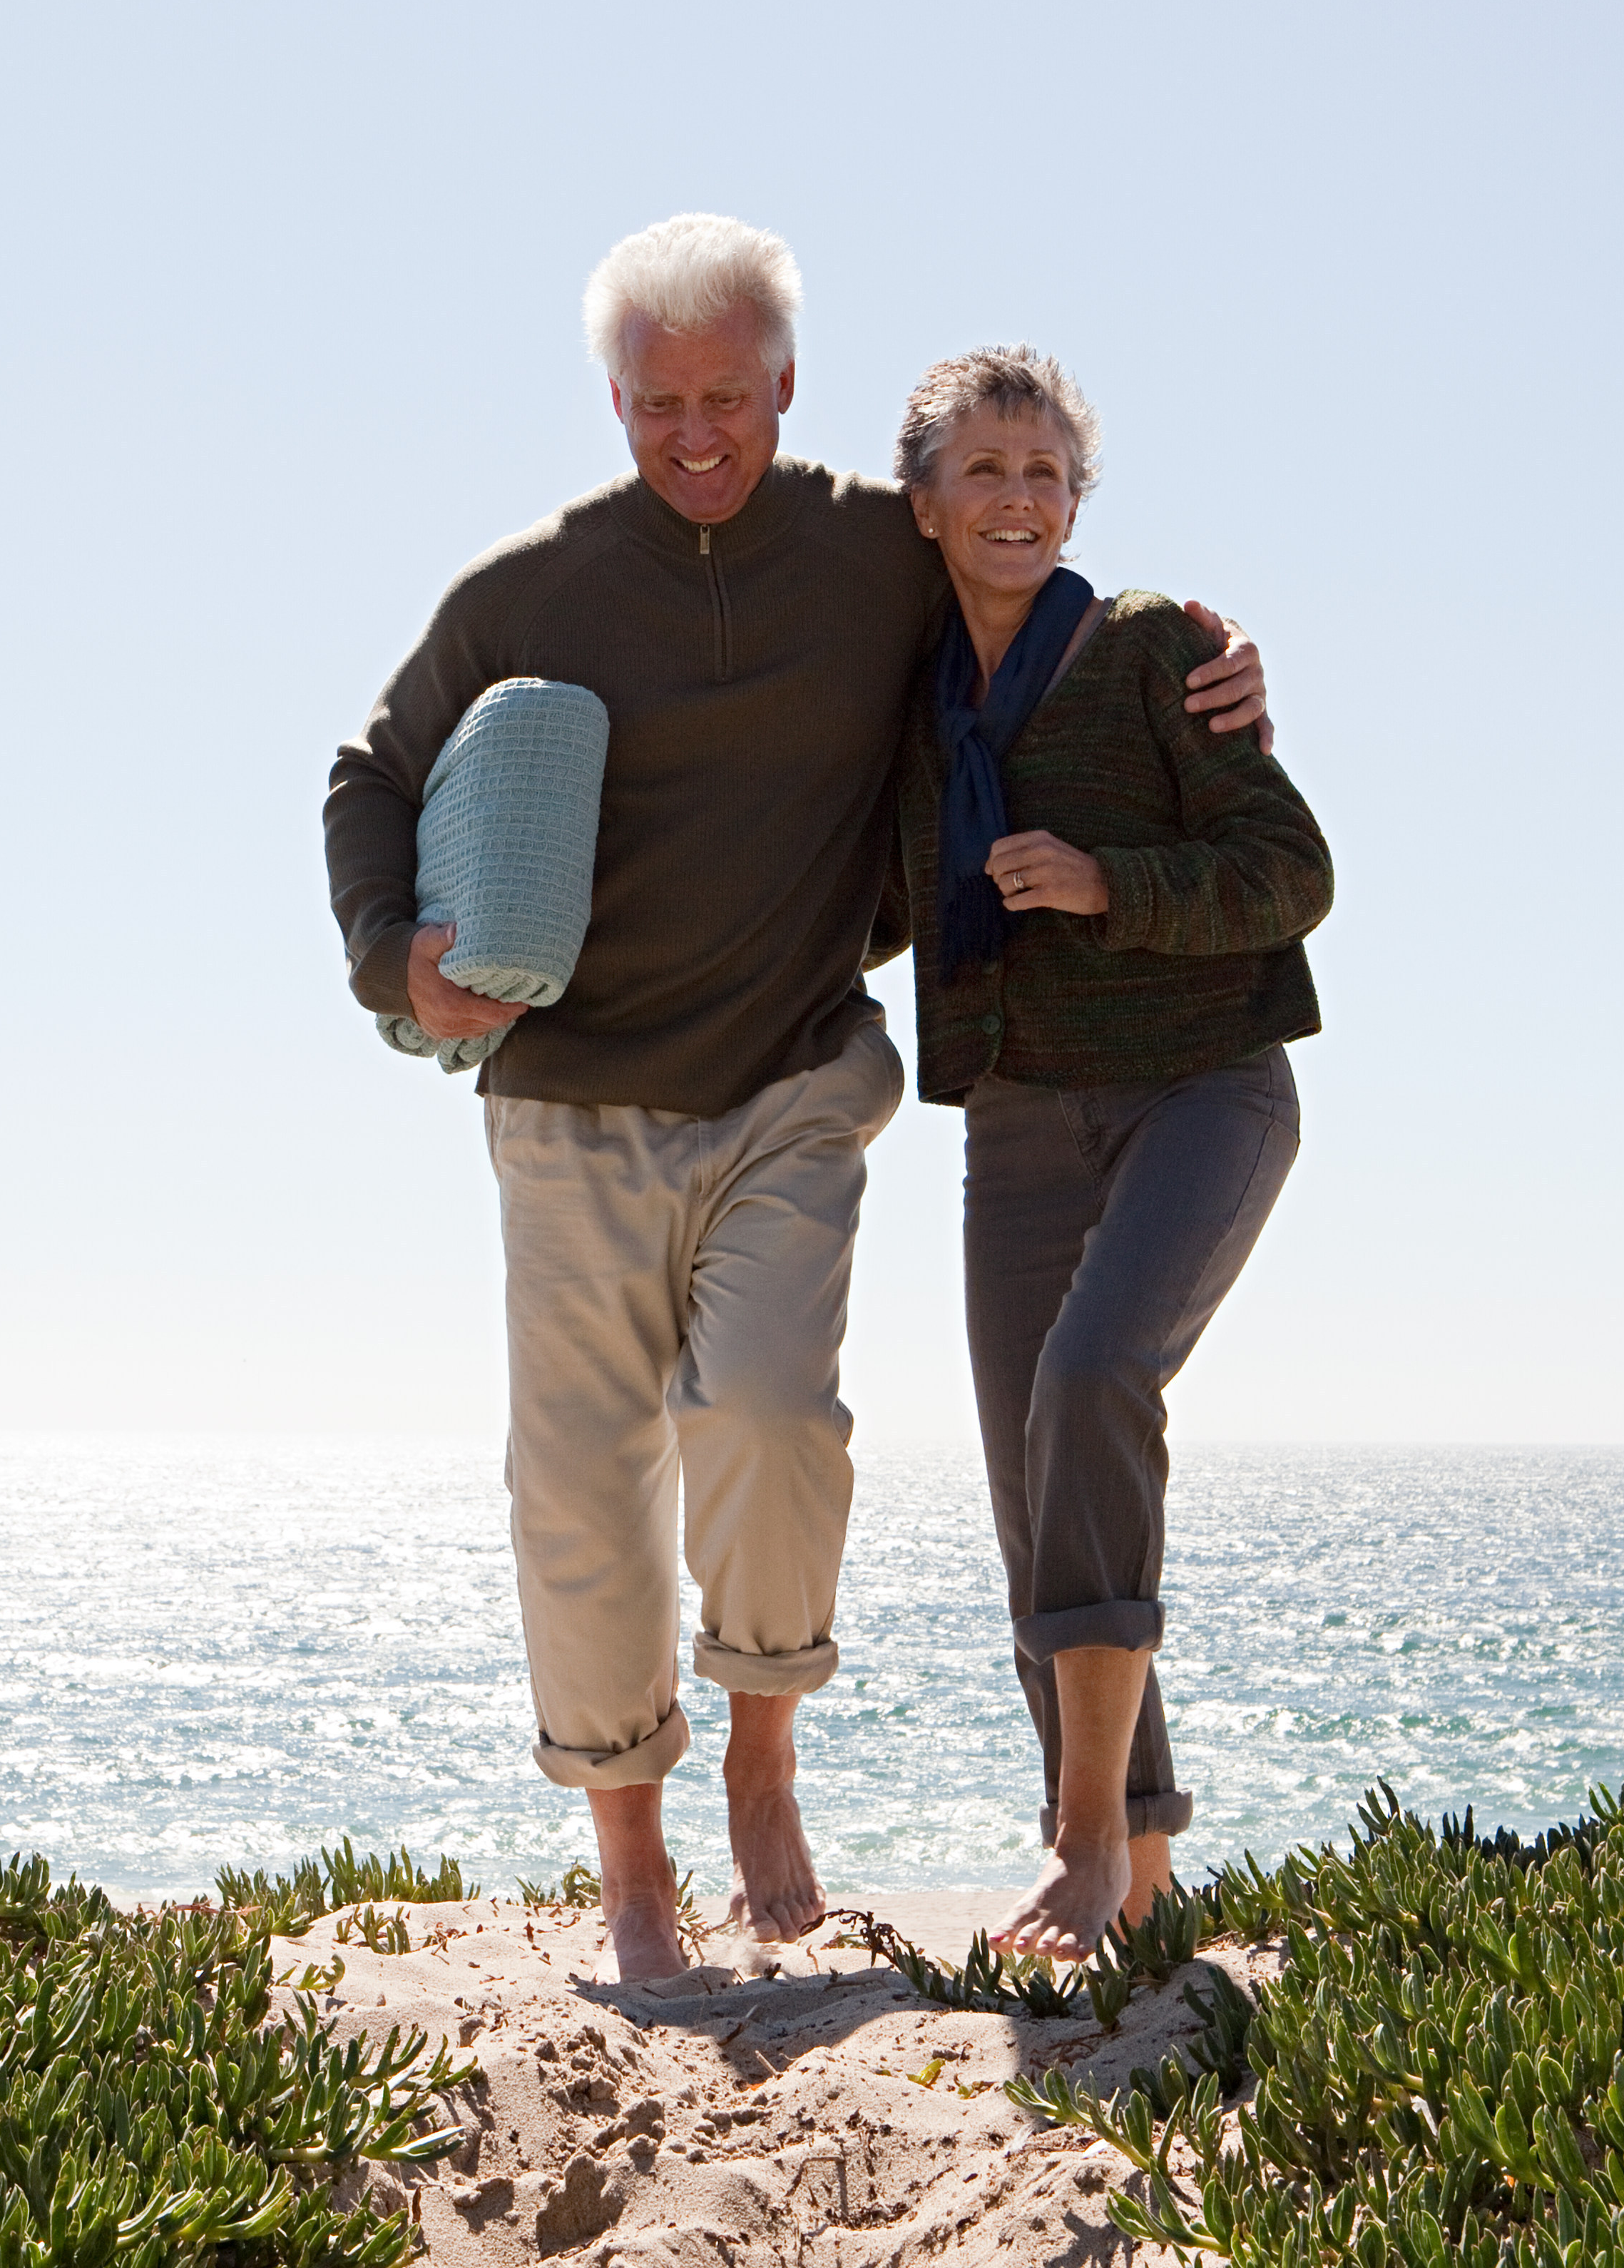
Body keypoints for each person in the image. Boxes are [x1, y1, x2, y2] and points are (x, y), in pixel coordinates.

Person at [323, 220, 1270, 1978]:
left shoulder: (869, 546)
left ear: (784, 389)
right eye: (661, 403)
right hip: (572, 1103)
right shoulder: (529, 586)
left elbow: (1028, 583)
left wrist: (1206, 660)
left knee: (767, 1420)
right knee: (584, 1484)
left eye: (730, 399)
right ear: (616, 397)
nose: (698, 435)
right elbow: (372, 772)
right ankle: (629, 1852)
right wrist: (400, 953)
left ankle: (763, 1764)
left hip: (789, 1083)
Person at [887, 346, 1332, 1960]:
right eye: (985, 471)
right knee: (1030, 1485)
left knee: (1091, 1386)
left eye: (1046, 472)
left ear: (1078, 497)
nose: (1018, 499)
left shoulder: (1155, 647)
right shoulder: (912, 703)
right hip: (1016, 1119)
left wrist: (1101, 881)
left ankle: (1079, 1844)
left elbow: (1294, 871)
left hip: (1203, 1086)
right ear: (922, 501)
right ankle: (1142, 1888)